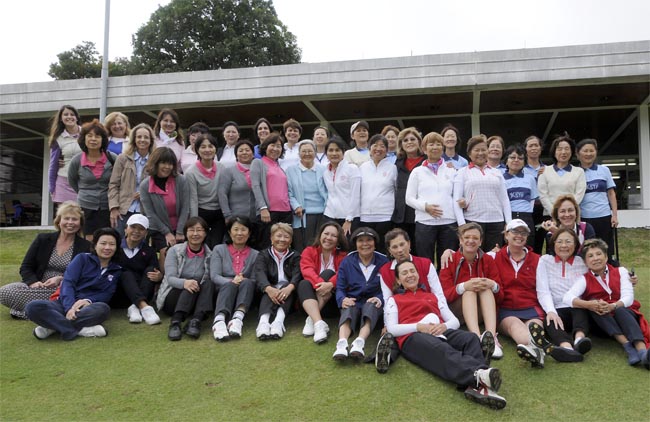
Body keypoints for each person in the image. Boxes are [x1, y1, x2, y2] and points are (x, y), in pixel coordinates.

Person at [385, 261, 506, 409]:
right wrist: (419, 327)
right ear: (398, 280)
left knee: (471, 338)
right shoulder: (394, 300)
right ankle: (479, 375)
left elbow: (453, 321)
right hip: (413, 336)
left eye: (412, 271)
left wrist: (444, 326)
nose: (410, 275)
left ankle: (476, 386)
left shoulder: (432, 296)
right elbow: (391, 328)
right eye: (404, 273)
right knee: (441, 349)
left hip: (439, 330)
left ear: (418, 274)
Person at [563, 238, 649, 369]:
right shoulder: (584, 279)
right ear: (586, 262)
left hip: (625, 314)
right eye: (590, 256)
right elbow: (567, 297)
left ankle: (642, 352)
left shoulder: (621, 271)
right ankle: (627, 346)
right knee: (595, 305)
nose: (595, 258)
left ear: (606, 256)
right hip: (604, 322)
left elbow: (628, 298)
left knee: (620, 309)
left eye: (599, 254)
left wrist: (613, 306)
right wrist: (589, 305)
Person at [26, 228, 122, 341]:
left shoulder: (116, 270)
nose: (107, 248)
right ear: (95, 245)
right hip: (63, 303)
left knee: (103, 309)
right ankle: (77, 330)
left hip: (87, 308)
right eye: (103, 243)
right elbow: (68, 283)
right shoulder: (82, 259)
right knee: (33, 307)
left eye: (111, 244)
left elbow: (106, 293)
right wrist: (69, 308)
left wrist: (88, 300)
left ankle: (53, 327)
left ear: (116, 248)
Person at [0, 202, 91, 319]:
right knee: (5, 292)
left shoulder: (86, 246)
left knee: (73, 296)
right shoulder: (42, 239)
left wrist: (61, 279)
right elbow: (26, 266)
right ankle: (48, 311)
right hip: (38, 287)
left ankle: (30, 311)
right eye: (66, 218)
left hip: (64, 288)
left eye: (74, 219)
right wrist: (33, 282)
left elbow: (85, 274)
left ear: (80, 223)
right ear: (58, 221)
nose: (70, 222)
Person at [438, 223, 504, 360]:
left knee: (486, 288)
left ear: (480, 241)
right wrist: (463, 286)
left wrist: (493, 285)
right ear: (461, 240)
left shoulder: (488, 260)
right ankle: (476, 338)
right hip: (456, 311)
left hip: (480, 310)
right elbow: (443, 296)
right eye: (467, 237)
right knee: (469, 291)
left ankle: (491, 338)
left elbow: (501, 296)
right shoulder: (450, 259)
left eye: (475, 238)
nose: (471, 240)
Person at [487, 220, 546, 367]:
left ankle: (537, 352)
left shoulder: (538, 260)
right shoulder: (493, 257)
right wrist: (448, 251)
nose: (519, 236)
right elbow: (471, 251)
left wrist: (550, 311)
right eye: (515, 232)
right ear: (506, 235)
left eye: (523, 233)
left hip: (531, 307)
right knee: (516, 328)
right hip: (506, 309)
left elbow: (543, 290)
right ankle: (540, 349)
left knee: (535, 328)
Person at [406, 131, 463, 268]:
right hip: (425, 221)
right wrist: (425, 207)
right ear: (424, 149)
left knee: (448, 261)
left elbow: (457, 196)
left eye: (438, 144)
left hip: (449, 221)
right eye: (431, 144)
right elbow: (409, 198)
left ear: (442, 148)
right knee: (425, 261)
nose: (435, 147)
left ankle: (446, 287)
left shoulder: (452, 171)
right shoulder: (417, 172)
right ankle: (427, 287)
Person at [533, 228, 590, 362]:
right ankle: (567, 348)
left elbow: (603, 269)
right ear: (553, 244)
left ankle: (579, 341)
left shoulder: (582, 262)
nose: (564, 245)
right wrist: (551, 311)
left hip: (576, 306)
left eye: (568, 242)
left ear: (575, 245)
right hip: (556, 308)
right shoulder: (545, 260)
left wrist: (628, 277)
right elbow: (543, 290)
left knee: (580, 311)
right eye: (559, 242)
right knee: (550, 320)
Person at [333, 227, 389, 360]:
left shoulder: (384, 261)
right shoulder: (347, 261)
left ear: (375, 243)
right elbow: (340, 287)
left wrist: (379, 298)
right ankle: (342, 343)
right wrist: (342, 299)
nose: (365, 244)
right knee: (348, 306)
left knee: (371, 305)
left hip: (373, 301)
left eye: (369, 240)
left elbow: (389, 287)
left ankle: (360, 342)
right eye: (361, 240)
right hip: (354, 300)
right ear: (355, 243)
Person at [156, 217, 213, 341]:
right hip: (173, 298)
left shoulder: (210, 255)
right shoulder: (174, 251)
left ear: (205, 233)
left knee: (208, 283)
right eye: (191, 230)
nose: (195, 234)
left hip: (196, 302)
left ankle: (196, 321)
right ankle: (175, 322)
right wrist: (185, 283)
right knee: (191, 284)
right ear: (186, 233)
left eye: (199, 230)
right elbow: (170, 278)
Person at [453, 135, 511, 251]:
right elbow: (456, 200)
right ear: (469, 153)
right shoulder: (462, 172)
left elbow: (505, 200)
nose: (480, 153)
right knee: (474, 257)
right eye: (476, 150)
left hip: (496, 222)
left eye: (483, 150)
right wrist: (462, 225)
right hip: (473, 221)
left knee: (494, 257)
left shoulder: (497, 173)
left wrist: (508, 223)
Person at [139, 147, 190, 269]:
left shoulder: (181, 180)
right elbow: (150, 213)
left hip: (181, 227)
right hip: (158, 227)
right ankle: (165, 281)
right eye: (163, 163)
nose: (167, 167)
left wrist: (179, 231)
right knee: (165, 252)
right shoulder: (145, 185)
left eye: (170, 163)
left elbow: (185, 207)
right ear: (155, 163)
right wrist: (167, 233)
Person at [209, 216, 259, 341]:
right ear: (230, 233)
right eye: (235, 229)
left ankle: (237, 319)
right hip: (222, 291)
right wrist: (232, 281)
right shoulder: (219, 249)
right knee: (229, 285)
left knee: (248, 282)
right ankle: (219, 321)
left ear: (249, 233)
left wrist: (241, 281)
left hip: (244, 291)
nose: (239, 233)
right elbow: (214, 276)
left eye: (243, 229)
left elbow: (254, 279)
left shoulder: (255, 254)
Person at [298, 222, 348, 344]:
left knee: (329, 273)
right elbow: (307, 271)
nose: (329, 238)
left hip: (331, 303)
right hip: (309, 301)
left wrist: (330, 285)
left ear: (338, 240)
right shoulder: (309, 251)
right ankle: (319, 323)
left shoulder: (343, 256)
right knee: (304, 283)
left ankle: (312, 320)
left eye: (333, 236)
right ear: (320, 235)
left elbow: (343, 274)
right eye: (326, 234)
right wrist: (322, 285)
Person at [67, 119, 117, 240]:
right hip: (85, 207)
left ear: (103, 140)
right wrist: (85, 193)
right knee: (88, 241)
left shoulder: (112, 158)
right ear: (84, 139)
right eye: (89, 136)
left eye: (97, 136)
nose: (93, 139)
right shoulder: (76, 160)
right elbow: (72, 181)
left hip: (107, 207)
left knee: (106, 239)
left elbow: (118, 181)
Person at [110, 214, 162, 325]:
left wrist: (159, 277)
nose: (136, 231)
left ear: (146, 233)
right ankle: (144, 306)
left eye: (141, 229)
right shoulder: (114, 248)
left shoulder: (149, 251)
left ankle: (135, 306)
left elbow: (154, 272)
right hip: (119, 295)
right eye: (133, 227)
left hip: (142, 291)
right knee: (125, 274)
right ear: (126, 229)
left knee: (151, 270)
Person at [254, 223, 302, 340]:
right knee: (270, 288)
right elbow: (259, 273)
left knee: (287, 288)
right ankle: (263, 322)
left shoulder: (295, 255)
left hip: (289, 292)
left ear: (290, 240)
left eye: (286, 237)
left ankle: (278, 322)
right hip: (268, 290)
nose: (282, 239)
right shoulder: (263, 254)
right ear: (271, 238)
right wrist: (268, 288)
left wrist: (290, 287)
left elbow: (297, 274)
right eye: (279, 236)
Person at [108, 123, 156, 237]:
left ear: (151, 140)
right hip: (124, 209)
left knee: (140, 244)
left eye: (146, 137)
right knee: (119, 241)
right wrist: (114, 208)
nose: (142, 140)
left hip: (145, 209)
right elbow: (113, 184)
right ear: (133, 139)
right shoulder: (123, 158)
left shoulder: (156, 160)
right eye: (139, 137)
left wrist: (145, 192)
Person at [576, 138, 618, 261]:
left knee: (606, 251)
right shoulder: (576, 172)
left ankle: (608, 277)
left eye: (591, 150)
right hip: (584, 218)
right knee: (587, 251)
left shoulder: (604, 170)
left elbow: (611, 193)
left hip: (604, 217)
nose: (588, 154)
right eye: (585, 151)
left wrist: (614, 215)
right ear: (578, 154)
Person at [250, 133, 292, 249]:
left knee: (283, 247)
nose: (275, 149)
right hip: (268, 212)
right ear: (265, 146)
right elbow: (255, 186)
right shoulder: (258, 162)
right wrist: (263, 208)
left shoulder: (279, 166)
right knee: (266, 246)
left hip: (285, 212)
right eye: (272, 145)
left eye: (279, 146)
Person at [185, 133, 226, 248]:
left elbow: (224, 193)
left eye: (210, 146)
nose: (207, 150)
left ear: (215, 149)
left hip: (219, 213)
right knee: (203, 246)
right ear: (197, 150)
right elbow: (193, 199)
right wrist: (195, 223)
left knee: (217, 245)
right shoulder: (191, 172)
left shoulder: (222, 168)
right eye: (203, 147)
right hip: (201, 212)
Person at [286, 140, 328, 251]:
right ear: (299, 153)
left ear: (315, 152)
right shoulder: (291, 171)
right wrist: (296, 206)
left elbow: (330, 190)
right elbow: (288, 193)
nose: (307, 154)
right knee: (304, 247)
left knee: (321, 246)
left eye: (310, 151)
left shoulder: (323, 170)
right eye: (304, 151)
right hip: (302, 214)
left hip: (323, 213)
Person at [359, 134, 397, 251]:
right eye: (375, 145)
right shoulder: (362, 167)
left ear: (387, 150)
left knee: (383, 249)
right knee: (367, 249)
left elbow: (396, 190)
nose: (378, 149)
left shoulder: (392, 168)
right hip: (365, 216)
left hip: (385, 216)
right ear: (369, 149)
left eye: (382, 146)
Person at [538, 132, 586, 218]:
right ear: (554, 152)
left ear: (571, 151)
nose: (563, 152)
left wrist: (568, 211)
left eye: (567, 149)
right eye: (559, 149)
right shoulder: (545, 171)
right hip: (550, 215)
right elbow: (543, 195)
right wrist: (555, 212)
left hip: (571, 216)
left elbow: (579, 194)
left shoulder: (579, 172)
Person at [392, 127, 426, 243]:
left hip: (420, 213)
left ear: (419, 142)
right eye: (405, 140)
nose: (409, 142)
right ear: (401, 144)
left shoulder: (427, 162)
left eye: (413, 139)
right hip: (401, 213)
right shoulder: (397, 163)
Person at [323, 137, 361, 236]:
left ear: (343, 152)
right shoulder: (325, 171)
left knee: (347, 247)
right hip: (330, 216)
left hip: (349, 218)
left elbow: (355, 195)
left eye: (337, 150)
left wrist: (349, 219)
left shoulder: (352, 168)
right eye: (330, 150)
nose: (334, 153)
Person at [503, 144, 538, 246]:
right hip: (509, 216)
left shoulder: (530, 178)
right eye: (512, 157)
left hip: (526, 216)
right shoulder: (501, 179)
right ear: (506, 160)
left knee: (528, 245)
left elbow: (532, 200)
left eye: (520, 158)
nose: (516, 160)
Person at [48, 105, 82, 206]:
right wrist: (52, 188)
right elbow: (53, 166)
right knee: (65, 217)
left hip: (83, 182)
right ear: (61, 119)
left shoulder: (87, 133)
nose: (69, 117)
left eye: (72, 114)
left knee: (83, 216)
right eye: (65, 114)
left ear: (77, 117)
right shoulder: (58, 138)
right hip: (63, 183)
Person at [218, 140, 257, 222]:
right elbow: (222, 194)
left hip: (257, 218)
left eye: (247, 150)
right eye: (241, 150)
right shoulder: (228, 171)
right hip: (236, 219)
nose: (244, 153)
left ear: (253, 154)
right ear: (236, 155)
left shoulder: (259, 170)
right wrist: (227, 215)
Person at [523, 135, 547, 254]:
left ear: (541, 148)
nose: (533, 148)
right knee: (527, 241)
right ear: (526, 149)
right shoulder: (521, 169)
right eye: (530, 145)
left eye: (536, 145)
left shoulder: (547, 169)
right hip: (527, 209)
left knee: (541, 240)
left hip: (543, 208)